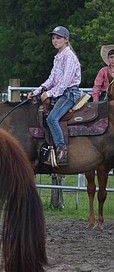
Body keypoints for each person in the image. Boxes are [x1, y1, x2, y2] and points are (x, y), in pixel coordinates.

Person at [27, 25, 81, 166]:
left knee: (52, 118)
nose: (55, 41)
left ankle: (61, 148)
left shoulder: (69, 56)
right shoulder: (58, 57)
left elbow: (64, 82)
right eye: (53, 38)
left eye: (58, 38)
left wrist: (49, 93)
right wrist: (37, 91)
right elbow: (52, 79)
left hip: (69, 93)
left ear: (66, 39)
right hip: (62, 93)